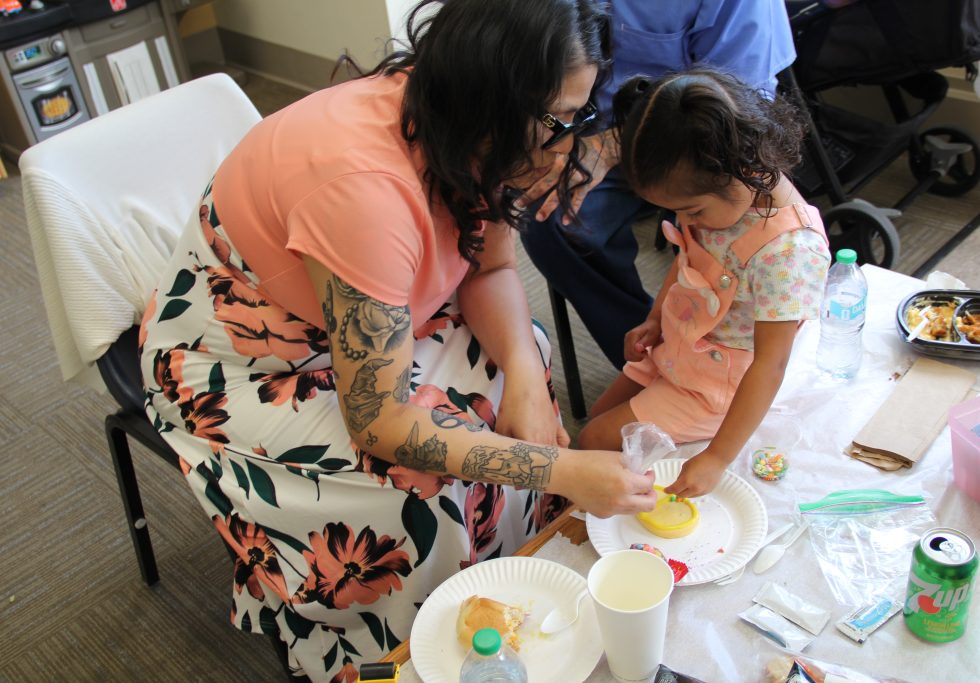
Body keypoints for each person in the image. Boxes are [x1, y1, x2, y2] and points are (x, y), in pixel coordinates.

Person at [138, 1, 657, 680]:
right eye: (560, 120)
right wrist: (557, 469)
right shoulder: (365, 190)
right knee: (418, 485)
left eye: (580, 116)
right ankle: (412, 645)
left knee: (520, 362)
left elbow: (491, 269)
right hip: (242, 362)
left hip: (364, 317)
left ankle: (507, 585)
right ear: (494, 99)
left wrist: (529, 382)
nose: (568, 145)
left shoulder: (473, 128)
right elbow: (379, 423)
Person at [576, 67, 831, 497]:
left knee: (594, 442)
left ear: (743, 167)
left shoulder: (789, 253)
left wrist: (717, 458)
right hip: (680, 348)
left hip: (717, 386)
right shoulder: (720, 193)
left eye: (692, 211)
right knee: (598, 419)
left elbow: (771, 366)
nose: (686, 221)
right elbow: (687, 259)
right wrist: (655, 318)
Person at [517, 0, 798, 370]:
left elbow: (742, 102)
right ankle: (653, 353)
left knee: (719, 230)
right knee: (548, 213)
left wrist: (612, 145)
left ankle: (700, 351)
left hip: (697, 139)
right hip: (585, 123)